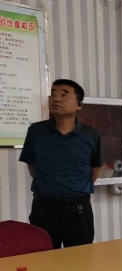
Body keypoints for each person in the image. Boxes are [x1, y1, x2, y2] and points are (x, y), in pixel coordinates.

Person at [19, 79, 102, 249]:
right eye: (53, 94)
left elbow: (95, 168)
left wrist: (74, 187)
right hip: (44, 207)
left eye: (64, 94)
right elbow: (32, 166)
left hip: (79, 208)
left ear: (79, 105)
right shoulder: (36, 131)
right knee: (44, 257)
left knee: (80, 258)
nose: (56, 98)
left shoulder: (91, 135)